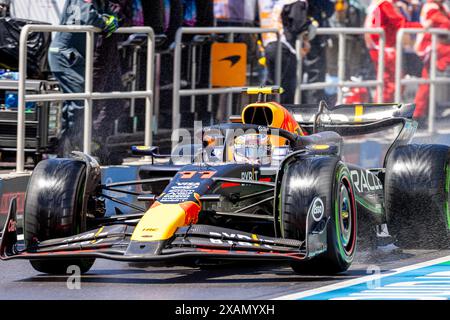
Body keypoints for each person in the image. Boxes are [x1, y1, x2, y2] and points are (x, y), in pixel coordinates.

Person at [48, 0, 119, 157]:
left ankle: (66, 152)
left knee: (74, 106)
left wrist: (112, 19)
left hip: (76, 56)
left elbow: (110, 14)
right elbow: (86, 16)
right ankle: (70, 152)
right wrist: (105, 22)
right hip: (65, 55)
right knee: (79, 105)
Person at [364, 0, 422, 103]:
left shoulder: (379, 4)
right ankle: (383, 113)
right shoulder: (385, 4)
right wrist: (423, 27)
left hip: (380, 47)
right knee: (391, 84)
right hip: (385, 48)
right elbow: (400, 23)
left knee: (388, 83)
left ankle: (382, 111)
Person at [258, 0, 311, 104]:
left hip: (269, 44)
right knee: (286, 88)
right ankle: (283, 117)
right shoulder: (296, 2)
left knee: (272, 86)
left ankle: (268, 116)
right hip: (284, 47)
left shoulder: (280, 3)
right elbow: (298, 25)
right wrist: (308, 30)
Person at [413, 0, 450, 121]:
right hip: (428, 47)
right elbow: (445, 23)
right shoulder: (431, 7)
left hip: (437, 47)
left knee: (427, 83)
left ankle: (422, 113)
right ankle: (418, 115)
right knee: (426, 83)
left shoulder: (441, 7)